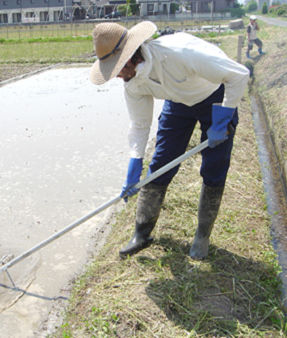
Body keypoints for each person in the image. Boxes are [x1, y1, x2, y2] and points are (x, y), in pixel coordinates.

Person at [90, 21, 249, 259]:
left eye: (118, 67)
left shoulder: (181, 53)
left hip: (214, 95)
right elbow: (140, 125)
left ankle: (202, 236)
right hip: (178, 103)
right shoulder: (132, 83)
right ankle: (141, 233)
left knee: (214, 167)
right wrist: (134, 165)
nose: (117, 75)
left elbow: (238, 75)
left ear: (132, 55)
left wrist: (223, 118)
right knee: (160, 166)